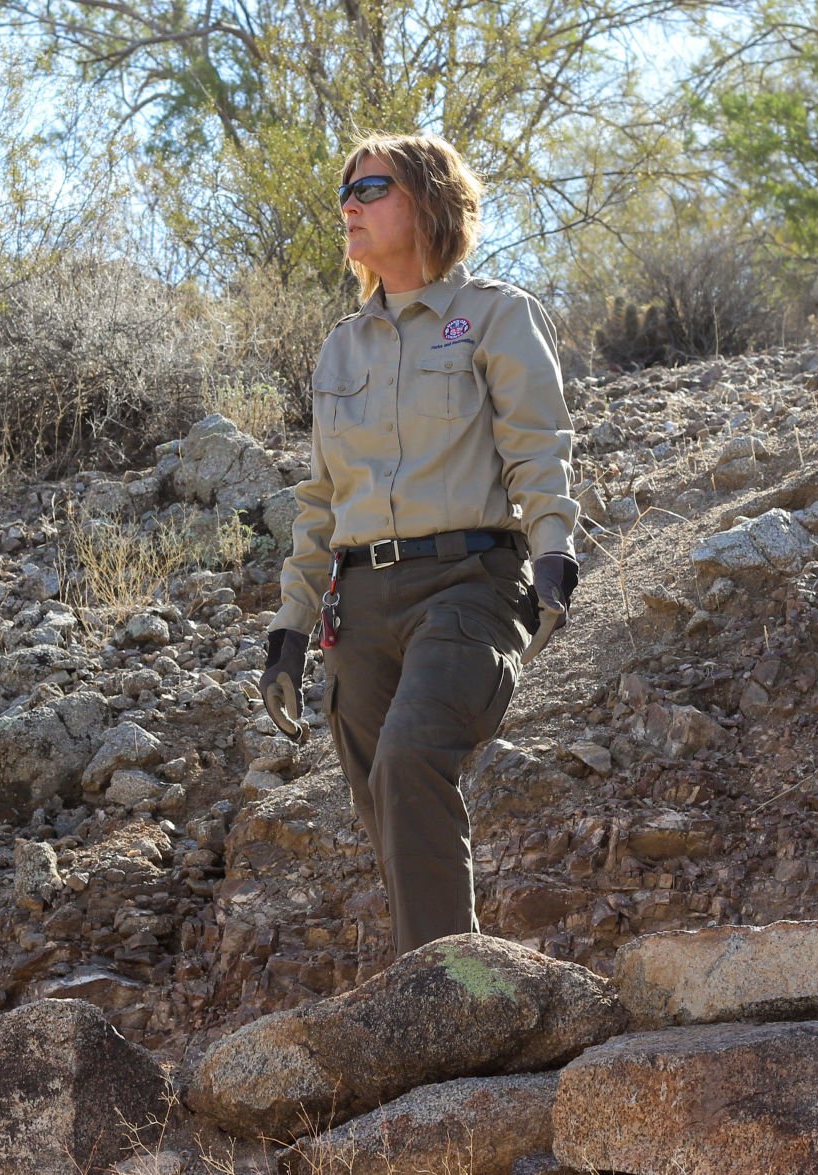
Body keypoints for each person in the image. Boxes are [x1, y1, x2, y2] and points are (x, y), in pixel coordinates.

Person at [258, 132, 579, 957]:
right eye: (345, 192)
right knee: (386, 812)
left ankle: (454, 996)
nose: (349, 206)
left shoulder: (498, 316)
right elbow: (319, 501)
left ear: (428, 202)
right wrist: (290, 632)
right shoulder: (341, 346)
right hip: (359, 608)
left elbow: (538, 448)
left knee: (409, 761)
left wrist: (553, 554)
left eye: (370, 188)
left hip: (469, 584)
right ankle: (444, 989)